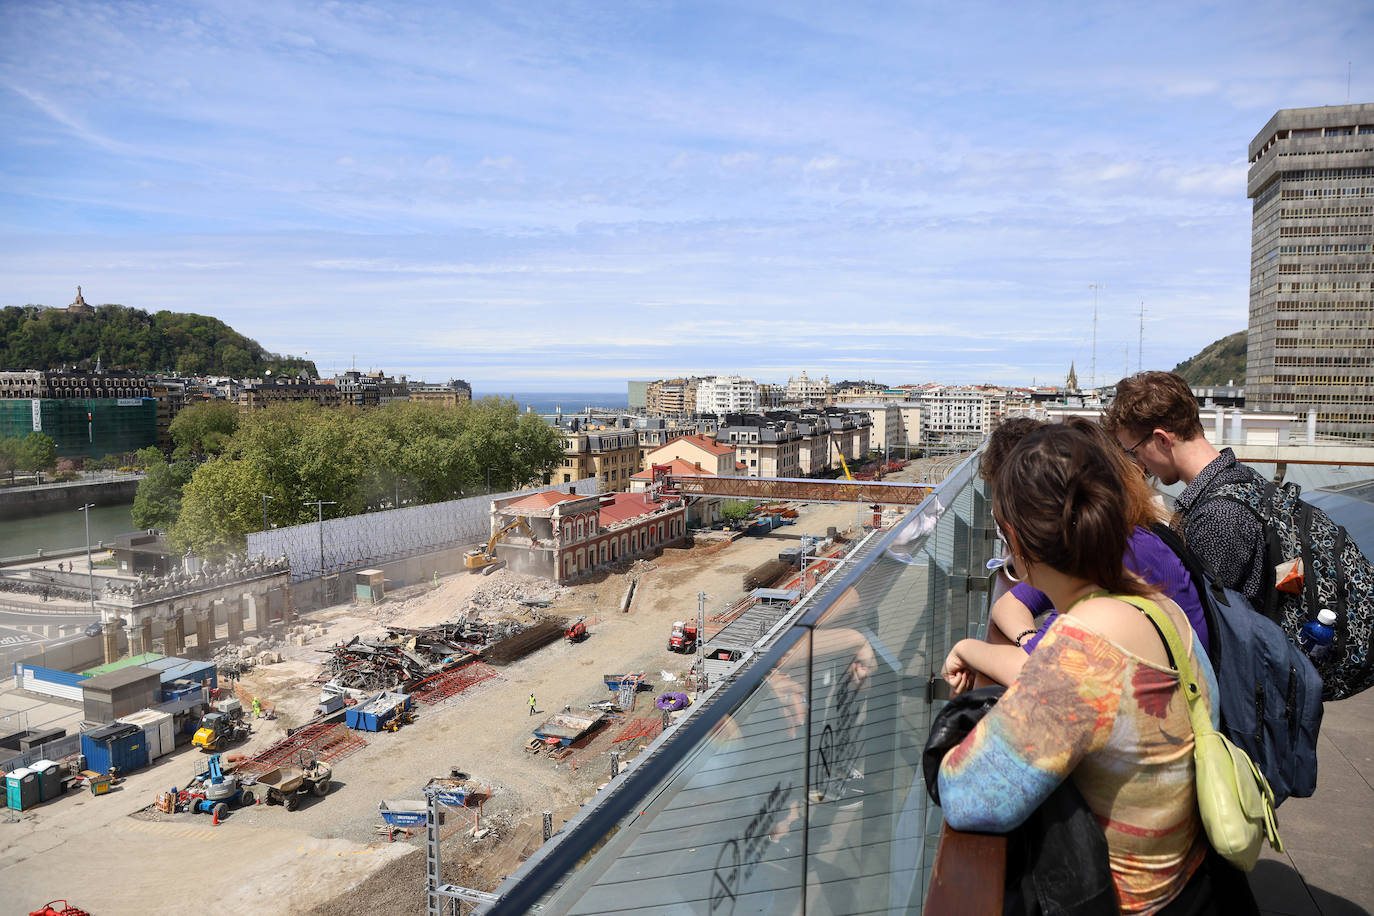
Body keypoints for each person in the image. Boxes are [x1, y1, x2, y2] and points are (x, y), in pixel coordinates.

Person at [938, 423, 1247, 914]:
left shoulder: (1082, 650)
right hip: (1195, 883)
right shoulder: (1156, 607)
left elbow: (968, 796)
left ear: (1016, 539)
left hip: (1133, 905)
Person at [944, 416, 1209, 690]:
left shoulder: (1119, 560)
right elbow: (1007, 607)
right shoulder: (1114, 545)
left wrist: (967, 649)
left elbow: (1034, 671)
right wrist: (1031, 641)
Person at [1103, 370, 1267, 607]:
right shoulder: (1245, 478)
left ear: (1162, 440)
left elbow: (1208, 617)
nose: (1140, 463)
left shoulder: (1216, 517)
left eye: (1135, 451)